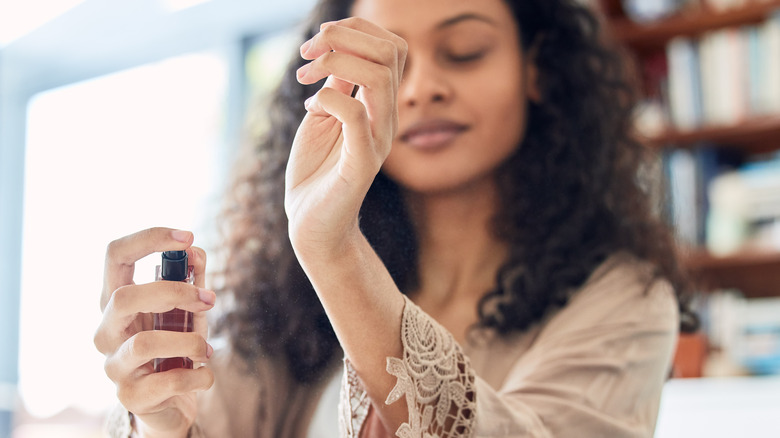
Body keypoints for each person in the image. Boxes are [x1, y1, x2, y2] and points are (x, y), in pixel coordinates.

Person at [94, 0, 698, 436]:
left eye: (465, 52)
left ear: (535, 68)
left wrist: (333, 251)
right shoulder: (288, 303)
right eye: (389, 64)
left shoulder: (623, 299)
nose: (421, 88)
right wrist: (162, 421)